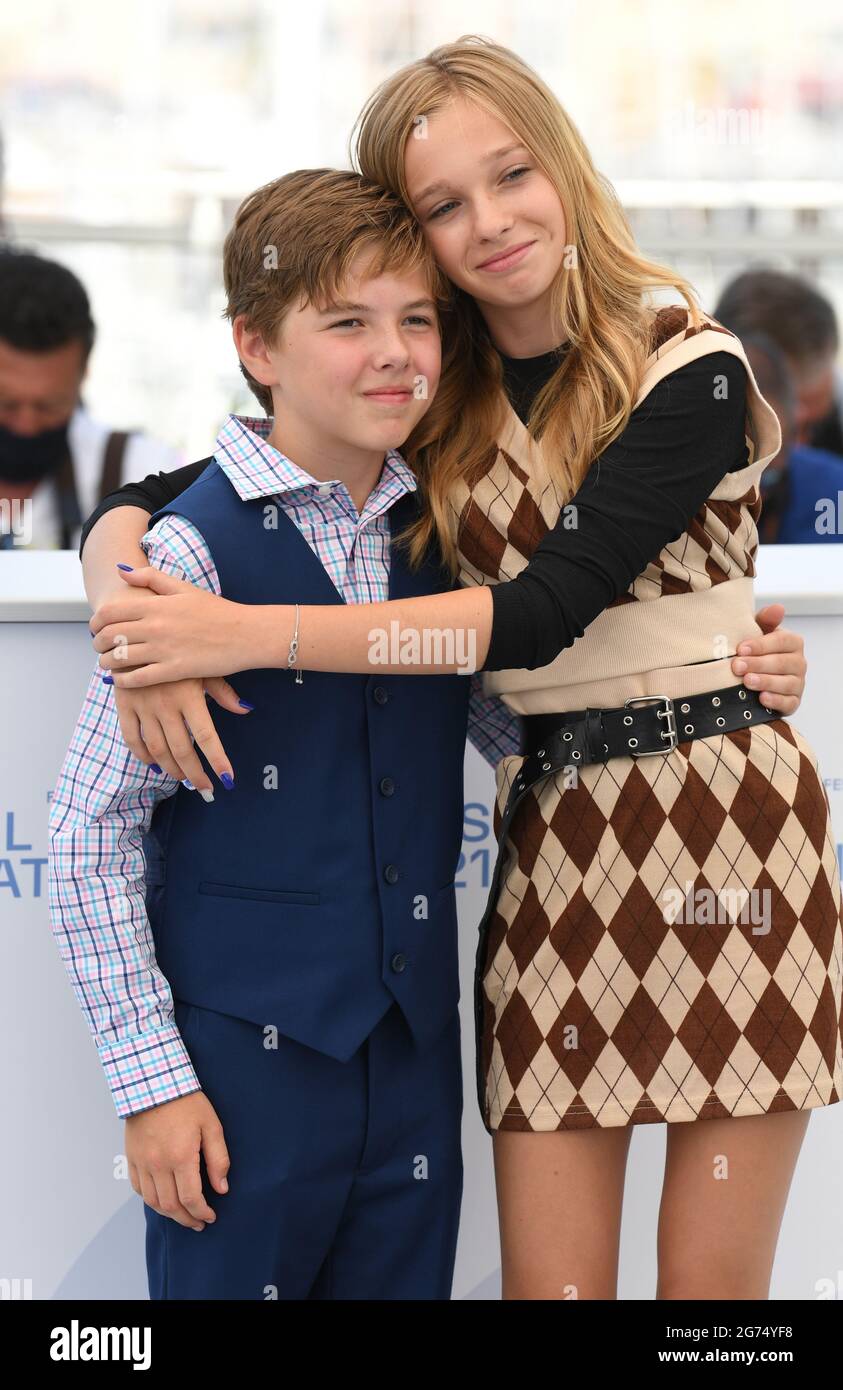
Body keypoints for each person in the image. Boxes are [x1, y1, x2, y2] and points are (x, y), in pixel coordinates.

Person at [79, 37, 832, 1303]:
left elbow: (535, 616)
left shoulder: (690, 366)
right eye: (443, 204)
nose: (489, 223)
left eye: (512, 175)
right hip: (555, 844)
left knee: (713, 1311)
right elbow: (189, 480)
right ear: (414, 230)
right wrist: (127, 601)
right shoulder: (436, 398)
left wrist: (244, 634)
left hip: (732, 846)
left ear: (564, 166)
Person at [49, 169, 524, 1300]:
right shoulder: (187, 557)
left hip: (413, 1064)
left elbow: (522, 724)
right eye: (348, 322)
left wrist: (718, 670)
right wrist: (154, 1083)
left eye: (418, 319)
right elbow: (84, 833)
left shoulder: (443, 537)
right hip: (239, 1077)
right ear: (257, 346)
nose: (395, 352)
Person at [0, 247, 183, 550]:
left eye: (50, 405)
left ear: (84, 372)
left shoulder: (139, 472)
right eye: (6, 403)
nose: (26, 425)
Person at [741, 331, 843, 544]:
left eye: (768, 469)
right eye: (740, 466)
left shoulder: (831, 488)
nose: (756, 493)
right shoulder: (673, 498)